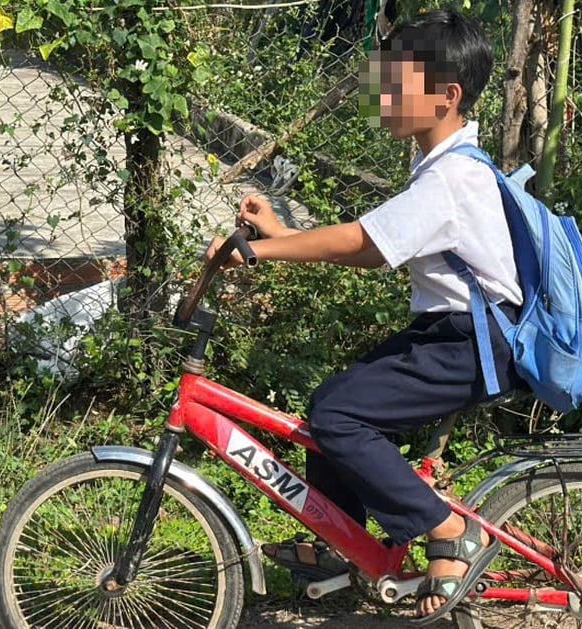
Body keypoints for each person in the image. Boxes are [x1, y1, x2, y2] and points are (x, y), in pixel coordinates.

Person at [207, 8, 522, 624]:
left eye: (397, 80)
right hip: (452, 333)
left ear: (445, 96)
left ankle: (448, 529)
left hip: (471, 342)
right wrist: (281, 232)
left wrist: (260, 248)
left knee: (338, 415)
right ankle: (345, 542)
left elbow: (366, 244)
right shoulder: (437, 164)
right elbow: (379, 245)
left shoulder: (453, 177)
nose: (383, 91)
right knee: (332, 404)